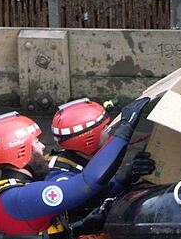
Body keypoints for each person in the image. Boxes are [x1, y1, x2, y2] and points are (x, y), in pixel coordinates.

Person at [0, 97, 150, 239]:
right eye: (35, 143)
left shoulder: (4, 191)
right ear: (20, 151)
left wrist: (126, 178)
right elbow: (87, 183)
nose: (43, 147)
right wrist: (125, 128)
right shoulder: (22, 198)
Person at [46, 97, 155, 232]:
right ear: (88, 139)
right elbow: (84, 198)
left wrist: (127, 176)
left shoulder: (84, 158)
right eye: (104, 128)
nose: (109, 131)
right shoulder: (59, 175)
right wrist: (121, 177)